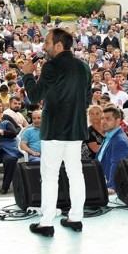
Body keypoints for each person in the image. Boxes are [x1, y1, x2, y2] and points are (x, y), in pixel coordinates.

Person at [23, 28, 91, 237]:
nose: (44, 46)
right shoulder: (83, 66)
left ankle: (46, 222)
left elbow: (34, 96)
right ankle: (76, 218)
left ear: (59, 45)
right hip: (76, 127)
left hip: (54, 129)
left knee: (50, 176)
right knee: (75, 174)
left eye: (47, 42)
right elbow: (87, 99)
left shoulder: (51, 66)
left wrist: (27, 75)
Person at [96, 106, 128, 193]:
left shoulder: (119, 140)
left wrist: (112, 187)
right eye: (102, 118)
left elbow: (117, 166)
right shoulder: (110, 136)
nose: (103, 121)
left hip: (110, 189)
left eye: (108, 119)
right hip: (102, 184)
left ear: (118, 121)